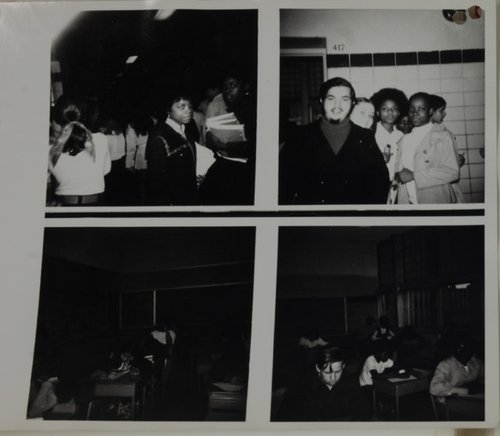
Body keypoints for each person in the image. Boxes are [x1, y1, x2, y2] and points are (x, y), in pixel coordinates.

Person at [279, 77, 389, 205]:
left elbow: (380, 183)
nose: (337, 105)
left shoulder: (365, 137)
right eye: (331, 98)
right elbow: (283, 184)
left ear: (352, 103)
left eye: (344, 99)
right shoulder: (300, 136)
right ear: (321, 100)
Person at [200, 74, 256, 205]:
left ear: (245, 87)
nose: (227, 90)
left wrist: (224, 145)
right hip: (228, 166)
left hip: (246, 172)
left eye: (232, 85)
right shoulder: (224, 107)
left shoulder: (252, 110)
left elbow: (256, 145)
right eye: (225, 87)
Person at [394, 92, 459, 204]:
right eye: (412, 109)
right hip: (409, 203)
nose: (414, 112)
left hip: (436, 202)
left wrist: (414, 176)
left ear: (430, 111)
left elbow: (452, 172)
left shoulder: (443, 136)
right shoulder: (404, 140)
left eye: (421, 108)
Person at [48, 96, 111, 206]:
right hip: (97, 206)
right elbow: (106, 170)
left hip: (66, 206)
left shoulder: (50, 147)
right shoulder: (101, 139)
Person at [277, 347, 369, 421]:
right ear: (318, 369)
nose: (333, 377)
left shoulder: (351, 381)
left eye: (337, 372)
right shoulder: (303, 384)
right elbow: (287, 415)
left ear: (343, 367)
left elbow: (363, 412)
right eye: (327, 373)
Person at [145, 93, 201, 205]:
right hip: (173, 202)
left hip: (189, 196)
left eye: (189, 106)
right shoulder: (159, 137)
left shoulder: (187, 130)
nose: (188, 110)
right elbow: (156, 181)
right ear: (168, 111)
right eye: (181, 107)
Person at [370, 88, 409, 203]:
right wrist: (378, 159)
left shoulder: (401, 135)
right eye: (385, 109)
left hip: (397, 184)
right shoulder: (371, 132)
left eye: (394, 109)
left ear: (399, 113)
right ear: (377, 112)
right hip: (376, 184)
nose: (390, 112)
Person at [429, 94, 465, 202]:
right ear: (431, 112)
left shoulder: (442, 130)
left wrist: (454, 159)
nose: (445, 113)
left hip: (448, 184)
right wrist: (452, 162)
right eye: (441, 111)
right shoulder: (431, 134)